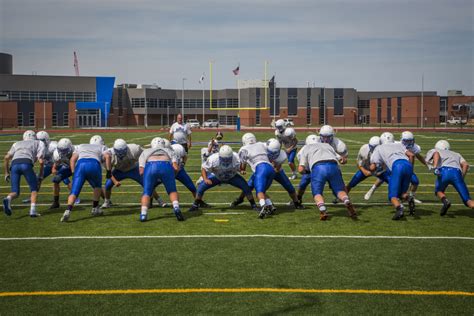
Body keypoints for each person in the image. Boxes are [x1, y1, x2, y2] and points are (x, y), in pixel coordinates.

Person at [298, 141, 357, 221]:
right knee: (339, 190)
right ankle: (346, 200)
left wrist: (307, 172)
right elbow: (342, 160)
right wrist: (343, 160)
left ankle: (322, 209)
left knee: (317, 192)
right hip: (333, 166)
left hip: (318, 167)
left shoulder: (306, 148)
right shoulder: (327, 145)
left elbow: (300, 169)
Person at [188, 145, 257, 212]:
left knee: (246, 187)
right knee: (201, 187)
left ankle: (253, 205)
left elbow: (241, 168)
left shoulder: (236, 157)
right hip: (217, 177)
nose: (226, 160)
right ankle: (195, 205)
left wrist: (241, 170)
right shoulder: (213, 158)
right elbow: (204, 168)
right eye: (224, 159)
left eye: (228, 159)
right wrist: (205, 179)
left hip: (232, 176)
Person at [101, 139, 166, 209]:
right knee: (108, 185)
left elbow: (147, 155)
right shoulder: (108, 155)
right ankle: (107, 202)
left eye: (123, 151)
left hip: (133, 169)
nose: (121, 154)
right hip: (119, 171)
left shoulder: (134, 149)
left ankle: (159, 200)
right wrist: (115, 181)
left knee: (147, 184)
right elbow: (109, 172)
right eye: (119, 152)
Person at [60, 135, 112, 222]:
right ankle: (95, 208)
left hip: (80, 165)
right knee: (97, 187)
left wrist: (73, 172)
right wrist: (109, 171)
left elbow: (72, 159)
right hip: (94, 164)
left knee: (74, 191)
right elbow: (108, 157)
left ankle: (68, 210)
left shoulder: (81, 146)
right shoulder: (102, 147)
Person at [364, 131, 425, 203]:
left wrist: (426, 164)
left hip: (405, 165)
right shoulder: (395, 144)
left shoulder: (414, 147)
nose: (408, 143)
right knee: (384, 177)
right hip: (393, 164)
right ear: (401, 139)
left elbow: (418, 156)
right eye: (406, 141)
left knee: (415, 181)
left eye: (410, 141)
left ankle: (410, 197)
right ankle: (372, 189)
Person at [369, 132, 415, 220]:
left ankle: (399, 209)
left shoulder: (379, 147)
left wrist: (371, 170)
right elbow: (411, 155)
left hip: (397, 166)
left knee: (392, 196)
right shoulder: (399, 145)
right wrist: (411, 169)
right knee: (402, 193)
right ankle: (409, 198)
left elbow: (373, 166)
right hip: (408, 165)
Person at [138, 137, 184, 222]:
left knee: (147, 192)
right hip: (166, 166)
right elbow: (176, 167)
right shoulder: (169, 151)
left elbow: (141, 171)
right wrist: (171, 175)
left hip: (150, 167)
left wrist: (149, 177)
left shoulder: (145, 151)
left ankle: (143, 214)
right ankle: (176, 208)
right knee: (172, 191)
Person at [3, 130, 45, 217]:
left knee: (15, 192)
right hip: (26, 163)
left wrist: (6, 172)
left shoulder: (16, 143)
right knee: (34, 189)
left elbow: (6, 157)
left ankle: (8, 198)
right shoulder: (39, 143)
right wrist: (41, 174)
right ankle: (32, 211)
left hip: (14, 165)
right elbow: (41, 161)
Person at [426, 140, 474, 215]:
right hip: (457, 173)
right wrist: (462, 178)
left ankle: (445, 201)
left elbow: (436, 153)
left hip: (444, 171)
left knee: (439, 191)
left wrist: (435, 168)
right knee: (468, 200)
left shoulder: (436, 150)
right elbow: (465, 165)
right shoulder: (457, 154)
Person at [239, 133, 276, 219]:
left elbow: (243, 164)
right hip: (271, 168)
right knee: (262, 191)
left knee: (259, 192)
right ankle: (270, 205)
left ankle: (264, 206)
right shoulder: (261, 144)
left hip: (260, 168)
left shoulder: (243, 149)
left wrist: (242, 170)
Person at [50, 138, 80, 209]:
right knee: (55, 180)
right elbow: (56, 163)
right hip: (67, 167)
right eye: (61, 150)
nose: (62, 152)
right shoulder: (56, 153)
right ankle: (56, 202)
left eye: (65, 150)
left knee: (92, 181)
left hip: (78, 167)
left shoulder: (77, 150)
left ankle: (106, 200)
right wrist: (54, 168)